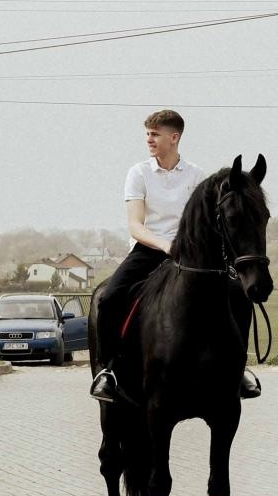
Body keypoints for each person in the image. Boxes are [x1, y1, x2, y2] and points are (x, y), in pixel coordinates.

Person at [89, 109, 262, 403]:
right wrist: (165, 245)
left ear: (174, 137)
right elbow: (135, 224)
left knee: (239, 295)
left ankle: (239, 370)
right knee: (109, 298)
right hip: (147, 250)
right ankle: (108, 371)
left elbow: (208, 221)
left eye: (154, 134)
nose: (149, 140)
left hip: (191, 256)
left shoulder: (196, 176)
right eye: (147, 134)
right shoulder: (139, 173)